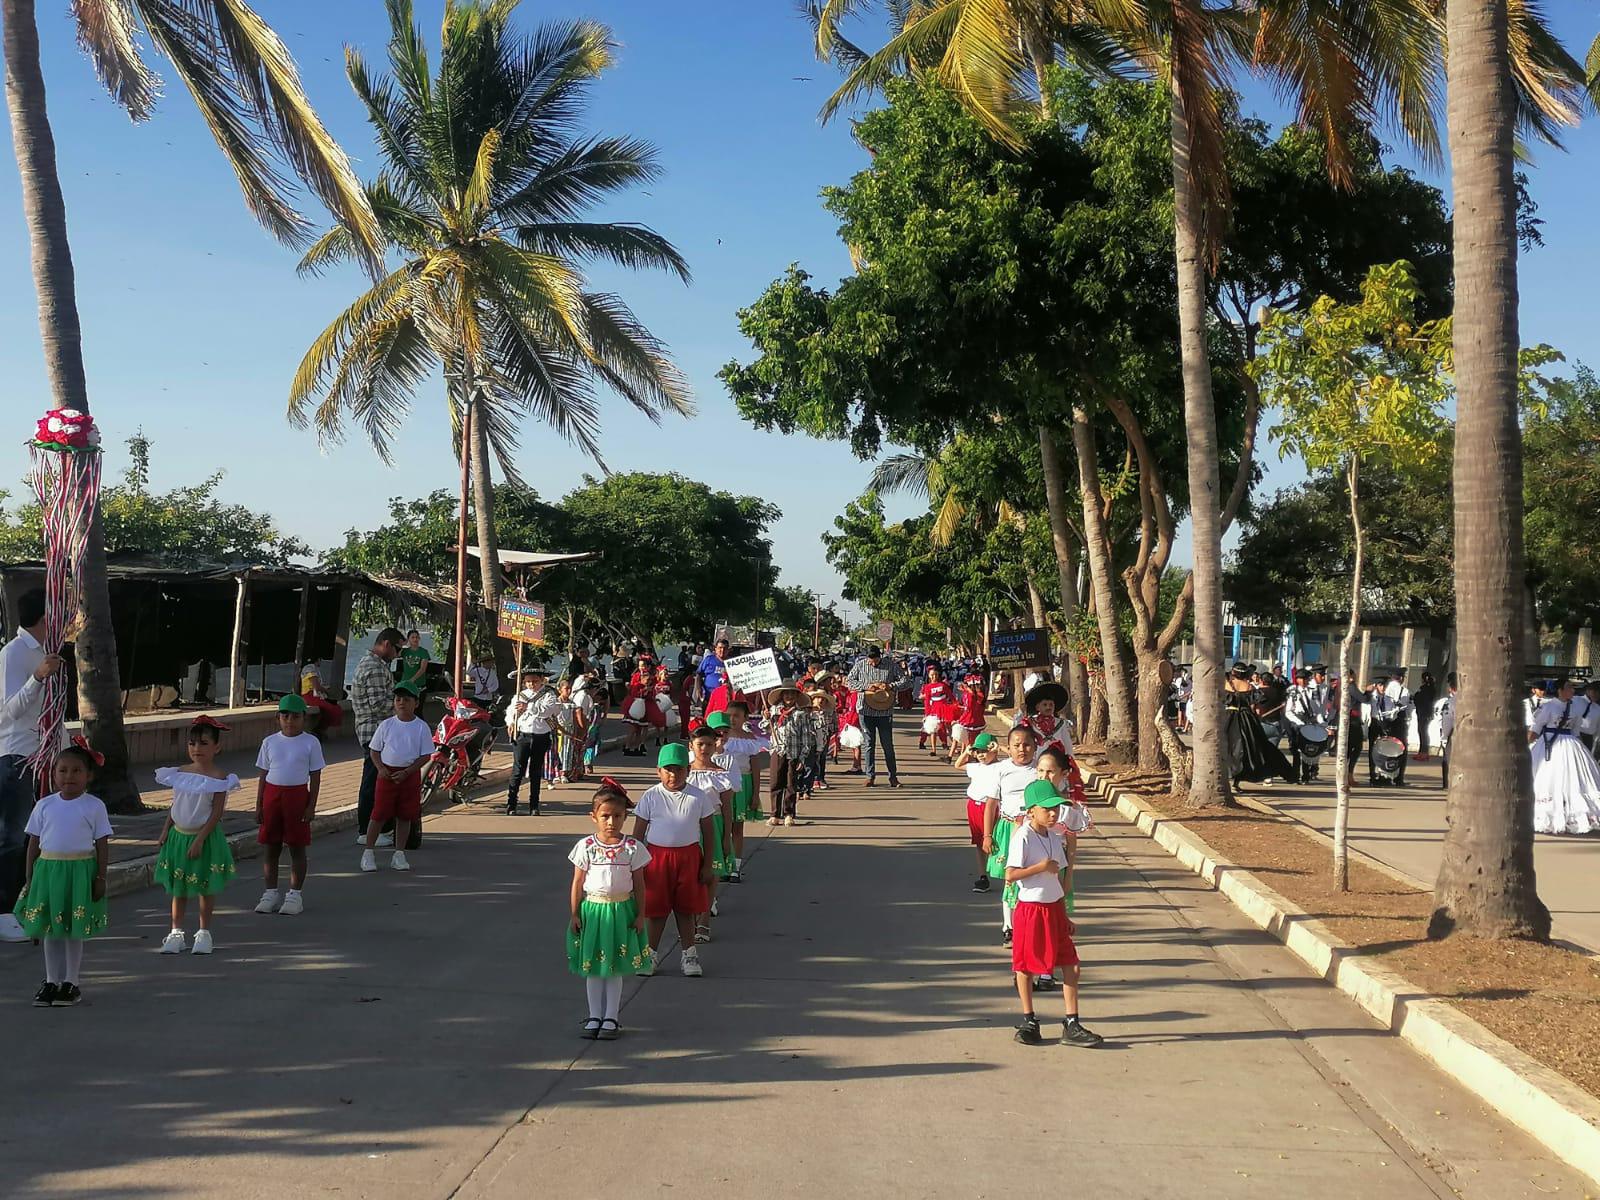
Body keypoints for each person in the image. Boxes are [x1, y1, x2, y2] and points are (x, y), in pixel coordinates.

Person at [13, 740, 110, 1006]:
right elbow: (33, 842)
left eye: (77, 771)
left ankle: (71, 982)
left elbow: (102, 843)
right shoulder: (44, 805)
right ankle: (51, 980)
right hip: (48, 872)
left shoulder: (94, 806)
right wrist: (30, 876)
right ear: (53, 774)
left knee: (72, 929)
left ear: (88, 775)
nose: (69, 777)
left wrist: (100, 877)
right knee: (50, 928)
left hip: (79, 872)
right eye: (63, 770)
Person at [1007, 779, 1103, 1047]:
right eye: (1047, 809)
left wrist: (1064, 915)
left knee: (1071, 965)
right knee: (1025, 967)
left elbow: (1056, 879)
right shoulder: (1023, 836)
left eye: (1057, 808)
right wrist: (1039, 867)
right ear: (1031, 810)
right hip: (1031, 910)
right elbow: (1011, 874)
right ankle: (1029, 1019)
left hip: (1054, 909)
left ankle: (1072, 1022)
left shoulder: (1052, 836)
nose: (1053, 813)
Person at [0, 588, 65, 942]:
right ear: (45, 618)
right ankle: (5, 912)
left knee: (33, 838)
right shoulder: (14, 654)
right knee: (12, 837)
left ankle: (28, 908)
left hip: (43, 758)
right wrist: (37, 677)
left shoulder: (47, 652)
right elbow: (9, 711)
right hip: (16, 755)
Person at [567, 779, 652, 1040]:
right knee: (593, 968)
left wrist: (640, 914)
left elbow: (639, 884)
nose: (611, 822)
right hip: (593, 911)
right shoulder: (586, 846)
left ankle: (611, 1018)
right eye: (605, 816)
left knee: (614, 967)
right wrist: (575, 913)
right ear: (593, 817)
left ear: (625, 816)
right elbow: (578, 882)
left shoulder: (632, 848)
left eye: (617, 816)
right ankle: (594, 1016)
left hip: (621, 912)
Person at [631, 743, 719, 978]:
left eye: (679, 769)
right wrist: (633, 867)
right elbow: (637, 834)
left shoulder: (698, 796)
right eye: (668, 770)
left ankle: (689, 954)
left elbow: (709, 832)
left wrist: (708, 864)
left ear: (688, 770)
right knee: (656, 910)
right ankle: (650, 954)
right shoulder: (650, 796)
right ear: (658, 771)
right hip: (656, 859)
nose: (673, 775)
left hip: (689, 858)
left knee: (685, 909)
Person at [153, 715, 238, 954]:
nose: (196, 748)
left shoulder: (219, 778)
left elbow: (216, 813)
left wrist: (200, 839)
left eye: (203, 743)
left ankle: (204, 933)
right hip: (179, 837)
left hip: (205, 838)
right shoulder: (180, 772)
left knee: (204, 886)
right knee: (178, 887)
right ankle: (176, 932)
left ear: (216, 747)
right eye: (192, 743)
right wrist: (165, 831)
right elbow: (175, 806)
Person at [254, 694, 325, 915]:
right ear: (278, 718)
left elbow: (315, 776)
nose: (290, 721)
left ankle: (295, 895)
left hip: (296, 797)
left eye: (295, 716)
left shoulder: (310, 742)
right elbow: (263, 775)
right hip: (272, 797)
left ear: (304, 718)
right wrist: (259, 805)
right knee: (271, 846)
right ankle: (270, 892)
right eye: (285, 716)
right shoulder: (269, 742)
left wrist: (311, 805)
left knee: (296, 846)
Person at [359, 683, 433, 871]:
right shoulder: (387, 725)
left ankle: (399, 853)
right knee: (379, 814)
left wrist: (408, 772)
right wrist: (381, 768)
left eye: (407, 700)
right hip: (387, 775)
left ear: (416, 703)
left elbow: (425, 755)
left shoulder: (421, 727)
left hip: (409, 775)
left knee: (405, 815)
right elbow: (375, 750)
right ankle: (368, 852)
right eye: (398, 699)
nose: (401, 703)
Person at [982, 725, 1043, 950]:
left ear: (1035, 747)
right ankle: (1009, 926)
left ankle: (1032, 924)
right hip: (1007, 829)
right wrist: (987, 835)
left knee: (1032, 878)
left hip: (1034, 831)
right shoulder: (1000, 769)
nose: (1022, 749)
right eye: (1016, 745)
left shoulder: (1040, 770)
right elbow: (991, 804)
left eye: (1027, 744)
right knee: (1010, 879)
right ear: (1009, 747)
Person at [352, 627, 404, 849]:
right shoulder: (373, 667)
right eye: (397, 649)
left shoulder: (377, 665)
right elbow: (379, 706)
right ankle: (366, 830)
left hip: (378, 732)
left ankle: (380, 828)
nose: (398, 654)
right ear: (385, 644)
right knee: (372, 782)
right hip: (374, 732)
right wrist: (401, 707)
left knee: (381, 782)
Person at [1530, 678, 1600, 835]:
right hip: (1549, 743)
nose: (1573, 691)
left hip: (1570, 744)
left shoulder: (1575, 708)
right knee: (1547, 777)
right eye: (1569, 687)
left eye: (1573, 688)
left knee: (1572, 778)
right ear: (1560, 690)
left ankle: (1573, 813)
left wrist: (1582, 751)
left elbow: (1575, 730)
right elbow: (1537, 727)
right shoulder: (1548, 706)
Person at [687, 724, 735, 942]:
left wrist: (726, 836)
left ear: (715, 746)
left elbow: (727, 809)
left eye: (708, 744)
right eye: (700, 744)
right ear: (692, 746)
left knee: (712, 873)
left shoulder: (721, 775)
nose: (704, 749)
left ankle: (704, 921)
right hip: (688, 826)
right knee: (690, 875)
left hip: (713, 825)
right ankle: (690, 919)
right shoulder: (682, 772)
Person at [710, 707, 769, 880]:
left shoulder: (749, 740)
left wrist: (755, 793)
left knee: (736, 827)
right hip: (716, 793)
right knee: (719, 830)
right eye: (730, 716)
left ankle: (735, 866)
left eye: (737, 716)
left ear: (745, 718)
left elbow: (755, 768)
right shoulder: (705, 749)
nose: (733, 719)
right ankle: (719, 866)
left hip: (741, 787)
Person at [1223, 662, 1295, 786]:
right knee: (1251, 747)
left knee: (1228, 746)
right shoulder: (1249, 687)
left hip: (1228, 717)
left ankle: (1228, 776)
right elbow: (1254, 707)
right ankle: (1237, 781)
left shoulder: (1226, 685)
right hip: (1246, 719)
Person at [506, 668, 562, 815]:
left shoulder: (549, 695)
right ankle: (511, 804)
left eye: (535, 681)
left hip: (540, 736)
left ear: (542, 680)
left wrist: (528, 707)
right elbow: (510, 712)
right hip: (522, 735)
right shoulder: (520, 695)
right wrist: (511, 721)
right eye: (528, 681)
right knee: (517, 770)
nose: (531, 684)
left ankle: (534, 805)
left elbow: (548, 711)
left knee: (535, 771)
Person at [845, 646, 903, 788]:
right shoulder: (860, 665)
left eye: (875, 660)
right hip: (865, 710)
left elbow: (905, 680)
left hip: (885, 711)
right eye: (870, 661)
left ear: (880, 657)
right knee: (868, 744)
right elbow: (849, 681)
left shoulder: (891, 665)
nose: (873, 663)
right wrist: (866, 686)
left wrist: (890, 685)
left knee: (887, 745)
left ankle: (893, 777)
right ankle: (870, 776)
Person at [954, 733, 1001, 892]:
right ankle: (983, 876)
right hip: (973, 806)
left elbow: (1015, 760)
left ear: (994, 750)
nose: (980, 755)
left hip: (991, 807)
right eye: (977, 751)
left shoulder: (1001, 767)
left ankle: (1003, 871)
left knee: (996, 840)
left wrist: (1001, 748)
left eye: (984, 751)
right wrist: (967, 752)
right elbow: (958, 765)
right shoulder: (975, 767)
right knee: (979, 842)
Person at [765, 686, 816, 827]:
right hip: (778, 750)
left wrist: (803, 757)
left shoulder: (801, 714)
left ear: (796, 696)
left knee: (791, 784)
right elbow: (765, 727)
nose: (789, 697)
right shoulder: (774, 711)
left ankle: (789, 813)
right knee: (775, 783)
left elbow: (806, 737)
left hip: (794, 753)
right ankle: (774, 814)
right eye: (786, 694)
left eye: (792, 694)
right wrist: (766, 718)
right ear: (782, 696)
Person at [1283, 669, 1326, 783]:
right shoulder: (1293, 692)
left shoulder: (1311, 692)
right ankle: (1295, 776)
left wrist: (1321, 723)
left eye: (1306, 679)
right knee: (1296, 750)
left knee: (1308, 750)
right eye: (1303, 679)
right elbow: (1288, 711)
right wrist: (1298, 722)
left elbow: (1316, 709)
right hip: (1297, 721)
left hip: (1308, 720)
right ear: (1297, 680)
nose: (1305, 681)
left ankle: (1306, 776)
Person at [298, 661, 345, 741]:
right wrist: (328, 691)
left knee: (335, 707)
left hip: (314, 695)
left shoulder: (314, 668)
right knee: (331, 708)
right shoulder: (310, 668)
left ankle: (321, 729)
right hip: (309, 695)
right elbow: (317, 687)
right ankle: (318, 730)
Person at [918, 663, 956, 755]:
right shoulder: (927, 687)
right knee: (932, 730)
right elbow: (927, 701)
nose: (934, 676)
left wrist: (955, 705)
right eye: (932, 675)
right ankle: (933, 749)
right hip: (933, 709)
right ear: (929, 676)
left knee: (947, 728)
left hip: (944, 708)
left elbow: (951, 696)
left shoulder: (943, 685)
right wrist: (927, 715)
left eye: (936, 674)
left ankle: (951, 745)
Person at [1435, 673, 1457, 788]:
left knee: (1448, 760)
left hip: (1453, 734)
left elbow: (1446, 721)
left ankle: (1447, 784)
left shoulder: (1450, 702)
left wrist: (1444, 737)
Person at [1412, 672, 1438, 762]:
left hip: (1423, 713)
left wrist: (1415, 697)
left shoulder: (1425, 689)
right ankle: (1422, 752)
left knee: (1423, 732)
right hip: (1426, 712)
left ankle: (1424, 752)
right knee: (1422, 731)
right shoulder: (1431, 689)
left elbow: (1419, 699)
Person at [698, 639, 730, 704]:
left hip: (725, 698)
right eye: (720, 648)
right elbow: (698, 675)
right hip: (708, 696)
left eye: (725, 648)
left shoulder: (732, 663)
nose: (722, 650)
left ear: (728, 650)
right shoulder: (709, 660)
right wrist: (698, 689)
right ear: (715, 649)